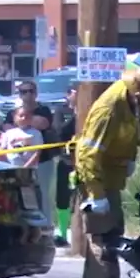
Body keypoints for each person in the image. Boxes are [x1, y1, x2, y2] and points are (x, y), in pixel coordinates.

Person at [74, 66, 140, 278]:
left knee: (111, 234)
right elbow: (86, 154)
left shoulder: (136, 106)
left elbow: (136, 134)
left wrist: (129, 159)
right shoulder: (109, 109)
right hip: (95, 179)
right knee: (103, 239)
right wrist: (96, 195)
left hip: (112, 178)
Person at [6, 80, 56, 224]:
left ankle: (47, 226)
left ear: (36, 93)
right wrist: (25, 120)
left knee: (43, 194)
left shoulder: (43, 110)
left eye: (31, 91)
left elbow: (44, 123)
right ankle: (26, 226)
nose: (27, 95)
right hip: (18, 162)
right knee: (21, 195)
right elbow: (6, 129)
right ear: (19, 94)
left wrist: (22, 119)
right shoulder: (12, 112)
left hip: (42, 160)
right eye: (23, 92)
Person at [54, 86, 78, 246]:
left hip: (82, 159)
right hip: (65, 159)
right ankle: (62, 232)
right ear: (68, 95)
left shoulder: (90, 109)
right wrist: (75, 116)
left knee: (79, 196)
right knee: (62, 195)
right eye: (75, 92)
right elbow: (59, 131)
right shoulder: (61, 111)